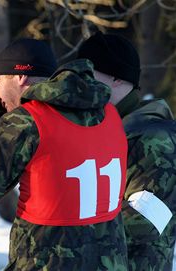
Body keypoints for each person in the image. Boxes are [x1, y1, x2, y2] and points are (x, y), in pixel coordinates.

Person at [0, 38, 129, 270]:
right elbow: (58, 150)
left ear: (20, 77)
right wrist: (5, 128)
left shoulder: (27, 122)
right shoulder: (109, 113)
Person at [77, 31, 176, 271]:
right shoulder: (104, 128)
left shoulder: (154, 137)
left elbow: (150, 217)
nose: (79, 84)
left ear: (116, 78)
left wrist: (68, 232)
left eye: (87, 75)